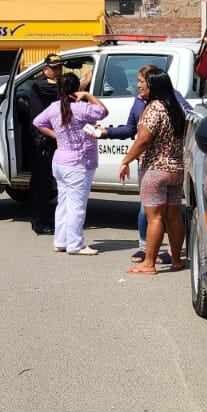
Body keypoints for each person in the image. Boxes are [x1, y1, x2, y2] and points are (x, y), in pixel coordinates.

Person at [102, 64, 193, 263]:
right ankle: (177, 260)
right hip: (176, 168)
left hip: (155, 169)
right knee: (174, 216)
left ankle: (149, 262)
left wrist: (126, 160)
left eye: (141, 82)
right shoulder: (176, 106)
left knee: (155, 217)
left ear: (152, 84)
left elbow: (143, 140)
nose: (138, 86)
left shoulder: (154, 108)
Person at [31, 73, 108, 254]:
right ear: (76, 88)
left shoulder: (54, 107)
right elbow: (103, 111)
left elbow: (37, 122)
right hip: (79, 162)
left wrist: (56, 135)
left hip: (60, 161)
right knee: (77, 206)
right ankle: (75, 244)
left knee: (63, 203)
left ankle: (61, 241)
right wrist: (87, 95)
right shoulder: (82, 108)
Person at [25, 55, 64, 234]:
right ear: (45, 69)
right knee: (42, 184)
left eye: (60, 68)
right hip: (42, 140)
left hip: (52, 139)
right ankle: (39, 223)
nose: (58, 71)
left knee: (48, 183)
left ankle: (45, 218)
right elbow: (53, 90)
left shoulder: (55, 84)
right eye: (54, 68)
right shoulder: (39, 85)